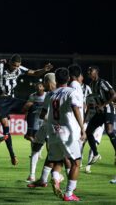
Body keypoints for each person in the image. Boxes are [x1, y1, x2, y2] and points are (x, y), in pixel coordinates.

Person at [0, 54, 53, 165]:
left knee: (31, 105)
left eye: (17, 66)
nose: (15, 67)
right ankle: (12, 155)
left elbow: (34, 73)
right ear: (9, 62)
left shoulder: (19, 69)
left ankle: (29, 133)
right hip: (0, 101)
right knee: (6, 129)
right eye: (14, 65)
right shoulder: (1, 66)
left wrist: (44, 69)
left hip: (12, 99)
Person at [42, 68, 86, 201]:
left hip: (53, 133)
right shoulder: (71, 92)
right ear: (68, 79)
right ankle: (69, 193)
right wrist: (82, 128)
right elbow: (75, 108)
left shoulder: (50, 94)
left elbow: (42, 114)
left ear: (56, 79)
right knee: (76, 163)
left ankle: (55, 179)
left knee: (58, 160)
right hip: (67, 133)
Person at [86, 66, 116, 165]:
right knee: (88, 131)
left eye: (91, 70)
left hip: (108, 109)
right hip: (99, 111)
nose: (89, 71)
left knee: (109, 130)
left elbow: (114, 95)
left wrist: (103, 105)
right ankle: (95, 154)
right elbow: (96, 98)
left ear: (96, 72)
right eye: (88, 70)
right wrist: (95, 105)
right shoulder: (91, 84)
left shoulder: (103, 82)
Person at [23, 82, 46, 182]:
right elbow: (26, 108)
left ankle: (54, 175)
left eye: (40, 85)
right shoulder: (32, 96)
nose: (38, 87)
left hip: (46, 123)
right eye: (37, 85)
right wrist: (27, 112)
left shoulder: (47, 95)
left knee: (50, 148)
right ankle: (32, 175)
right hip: (36, 123)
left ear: (44, 87)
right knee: (34, 147)